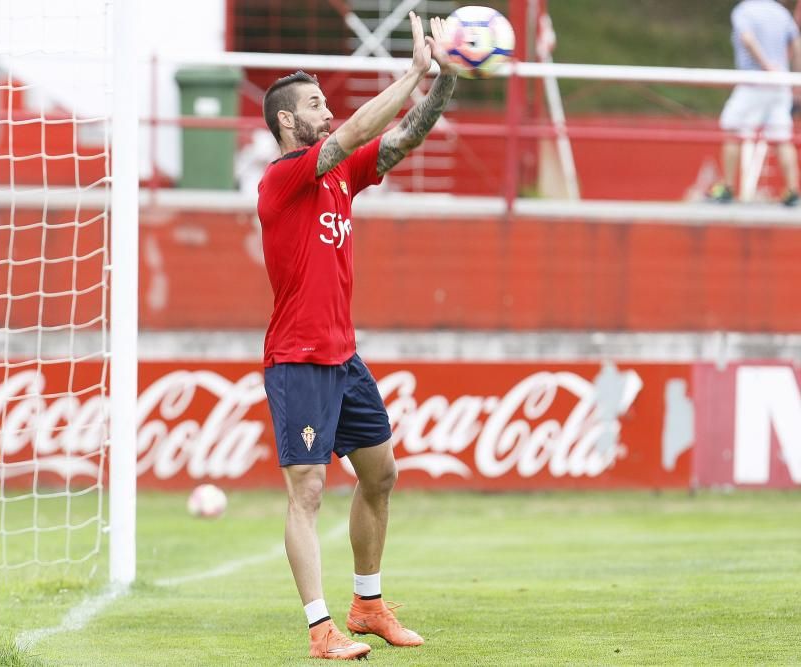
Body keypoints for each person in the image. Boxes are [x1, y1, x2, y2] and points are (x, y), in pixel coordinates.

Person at [256, 11, 457, 661]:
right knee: (307, 491)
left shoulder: (340, 174)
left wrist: (445, 79)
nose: (325, 109)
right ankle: (320, 630)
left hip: (343, 357)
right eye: (313, 103)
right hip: (299, 359)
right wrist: (412, 73)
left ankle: (367, 605)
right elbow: (354, 132)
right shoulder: (285, 177)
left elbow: (402, 138)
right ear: (288, 121)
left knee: (381, 474)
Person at [708, 0, 801, 206]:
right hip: (781, 84)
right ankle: (793, 191)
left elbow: (747, 39)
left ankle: (727, 188)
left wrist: (767, 67)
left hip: (754, 82)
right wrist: (795, 79)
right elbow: (796, 44)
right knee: (782, 138)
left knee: (733, 132)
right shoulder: (782, 14)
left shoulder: (745, 10)